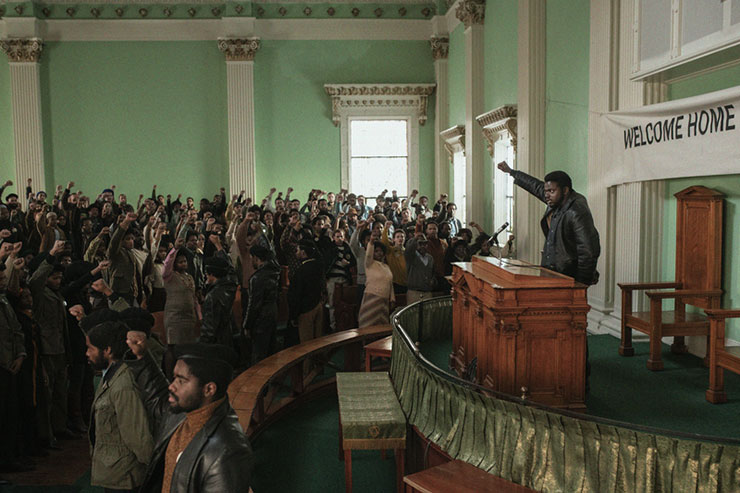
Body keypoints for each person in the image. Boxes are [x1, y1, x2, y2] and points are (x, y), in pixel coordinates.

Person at [125, 341, 254, 492]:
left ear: (209, 389)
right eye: (174, 378)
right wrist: (142, 355)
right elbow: (157, 395)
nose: (171, 386)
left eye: (181, 380)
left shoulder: (229, 451)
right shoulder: (184, 412)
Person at [497, 161, 600, 285]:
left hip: (568, 276)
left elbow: (588, 250)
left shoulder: (576, 210)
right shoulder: (555, 199)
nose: (546, 195)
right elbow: (535, 185)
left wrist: (581, 284)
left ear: (565, 190)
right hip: (551, 272)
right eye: (546, 191)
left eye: (551, 191)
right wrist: (512, 172)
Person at [85, 321, 154, 493]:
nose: (87, 353)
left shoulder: (123, 385)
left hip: (125, 477)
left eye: (90, 348)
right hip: (116, 472)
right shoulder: (110, 375)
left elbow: (138, 435)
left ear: (107, 350)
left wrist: (155, 470)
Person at [198, 239, 238, 350]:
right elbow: (231, 270)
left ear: (211, 274)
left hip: (216, 343)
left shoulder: (212, 296)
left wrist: (202, 347)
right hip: (228, 337)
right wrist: (218, 246)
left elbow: (209, 329)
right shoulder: (230, 286)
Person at [244, 245, 281, 364]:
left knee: (259, 355)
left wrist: (247, 325)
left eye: (251, 258)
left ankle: (258, 382)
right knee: (271, 352)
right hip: (272, 313)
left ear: (256, 258)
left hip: (261, 319)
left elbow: (254, 305)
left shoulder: (257, 277)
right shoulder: (274, 272)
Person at [288, 240, 325, 344]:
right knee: (318, 341)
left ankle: (309, 361)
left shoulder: (301, 271)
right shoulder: (318, 266)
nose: (296, 252)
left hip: (306, 309)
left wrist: (293, 315)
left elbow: (296, 294)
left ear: (303, 253)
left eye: (298, 250)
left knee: (306, 344)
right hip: (318, 304)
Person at [162, 243, 198, 346]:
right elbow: (167, 264)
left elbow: (194, 298)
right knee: (173, 347)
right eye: (180, 262)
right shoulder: (169, 276)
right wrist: (175, 249)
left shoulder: (189, 277)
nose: (183, 264)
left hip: (189, 317)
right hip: (174, 318)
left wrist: (199, 316)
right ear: (174, 264)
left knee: (188, 347)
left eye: (184, 261)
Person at [358, 241, 394, 327]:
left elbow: (390, 283)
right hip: (372, 299)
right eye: (376, 251)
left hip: (384, 301)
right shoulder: (369, 264)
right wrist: (371, 242)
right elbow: (368, 255)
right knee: (367, 325)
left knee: (382, 327)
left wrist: (392, 298)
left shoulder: (386, 267)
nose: (379, 253)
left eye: (381, 251)